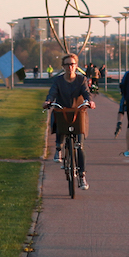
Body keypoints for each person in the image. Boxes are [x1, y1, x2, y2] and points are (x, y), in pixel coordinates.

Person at [44, 53, 96, 189]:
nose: (70, 67)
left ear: (76, 66)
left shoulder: (81, 80)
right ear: (63, 66)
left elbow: (86, 92)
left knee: (80, 146)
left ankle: (82, 176)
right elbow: (52, 92)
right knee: (58, 118)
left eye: (72, 64)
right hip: (63, 111)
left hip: (78, 113)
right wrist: (49, 101)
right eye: (67, 65)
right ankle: (58, 148)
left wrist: (89, 101)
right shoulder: (58, 80)